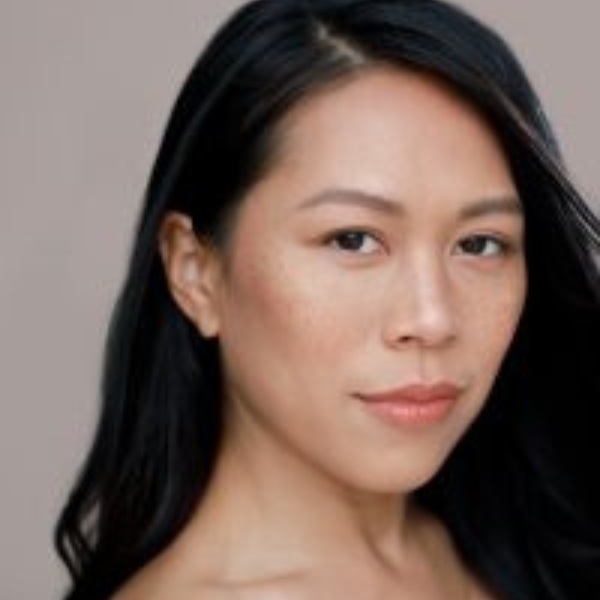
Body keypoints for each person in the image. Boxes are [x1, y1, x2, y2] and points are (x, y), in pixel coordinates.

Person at [54, 1, 600, 599]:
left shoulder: (533, 543)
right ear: (195, 271)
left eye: (479, 244)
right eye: (353, 239)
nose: (432, 318)